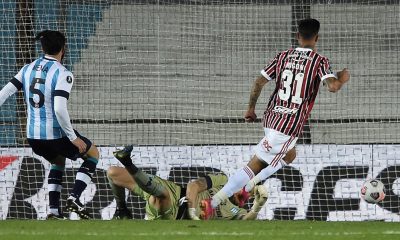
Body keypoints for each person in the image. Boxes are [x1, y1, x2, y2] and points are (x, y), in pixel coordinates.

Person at [201, 18, 350, 219]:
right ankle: (213, 203)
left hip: (271, 118)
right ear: (317, 38)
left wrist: (251, 109)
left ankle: (245, 190)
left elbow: (259, 82)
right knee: (256, 164)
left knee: (290, 155)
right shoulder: (319, 61)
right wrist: (341, 78)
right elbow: (332, 87)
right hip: (288, 126)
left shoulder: (282, 57)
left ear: (298, 36)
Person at [0, 30, 100, 219]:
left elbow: (3, 94)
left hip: (33, 137)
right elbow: (59, 109)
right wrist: (73, 137)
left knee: (58, 161)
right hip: (54, 135)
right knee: (93, 153)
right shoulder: (63, 73)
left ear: (42, 48)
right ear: (63, 49)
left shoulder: (27, 68)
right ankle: (75, 198)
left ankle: (54, 211)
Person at [107, 145, 268, 220]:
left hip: (175, 214)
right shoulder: (223, 180)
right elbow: (194, 185)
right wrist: (191, 208)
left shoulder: (235, 213)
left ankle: (128, 162)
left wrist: (257, 207)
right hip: (177, 192)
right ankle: (122, 211)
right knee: (113, 173)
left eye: (247, 194)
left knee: (160, 196)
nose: (242, 193)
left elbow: (247, 220)